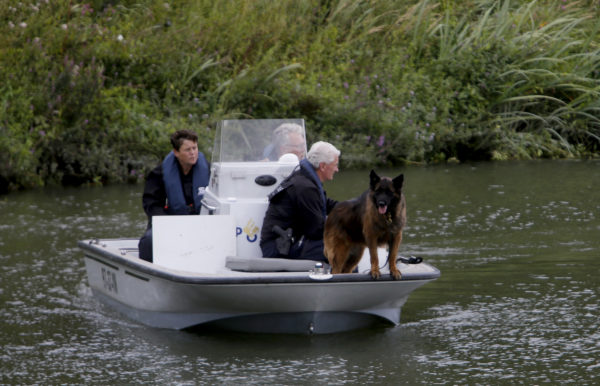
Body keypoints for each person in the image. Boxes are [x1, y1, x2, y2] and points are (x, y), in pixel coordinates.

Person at [260, 141, 340, 263]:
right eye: (335, 165)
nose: (337, 169)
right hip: (278, 248)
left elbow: (325, 203)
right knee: (343, 249)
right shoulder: (304, 187)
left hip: (288, 242)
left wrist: (354, 209)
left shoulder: (305, 178)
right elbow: (317, 230)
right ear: (323, 166)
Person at [138, 129, 210, 262]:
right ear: (176, 152)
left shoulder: (209, 171)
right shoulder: (159, 174)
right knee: (149, 241)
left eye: (195, 148)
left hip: (202, 223)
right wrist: (167, 224)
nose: (193, 153)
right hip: (169, 223)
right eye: (188, 150)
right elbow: (151, 205)